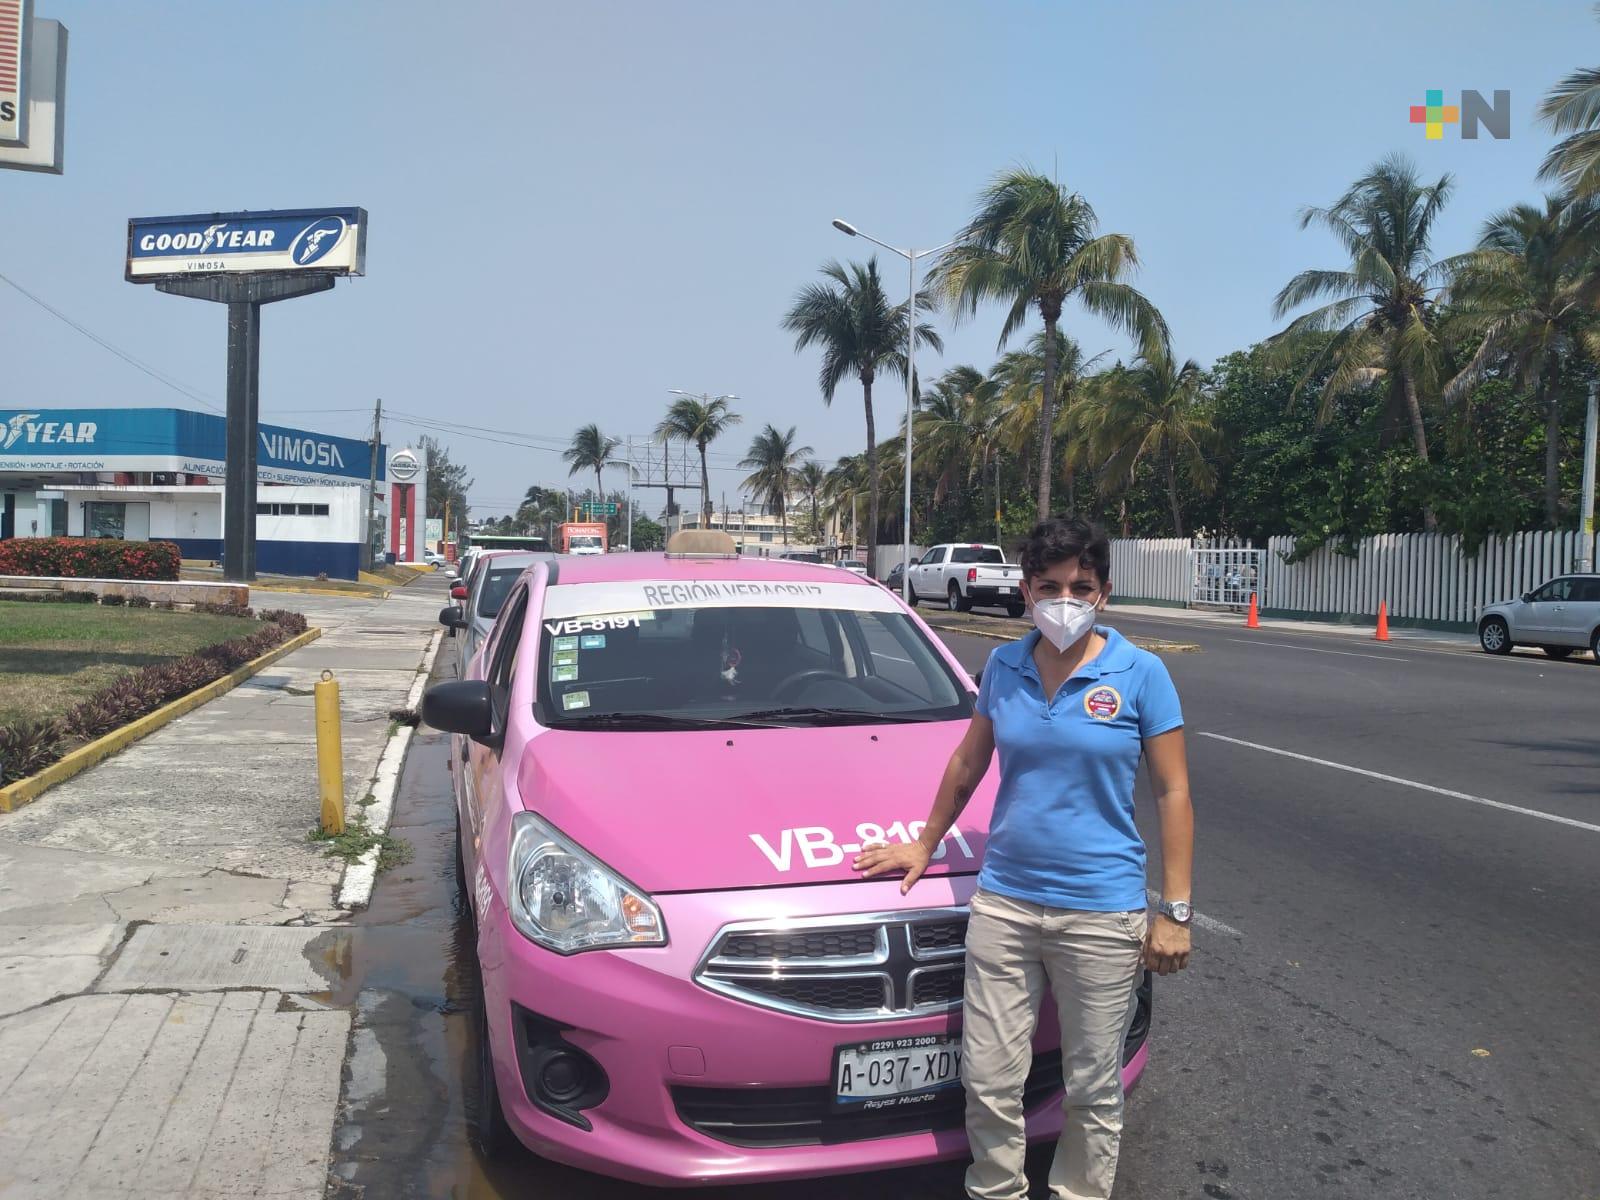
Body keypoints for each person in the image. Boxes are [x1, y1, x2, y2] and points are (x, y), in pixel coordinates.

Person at [854, 516, 1194, 1200]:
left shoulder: (1140, 673)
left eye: (1081, 585)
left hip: (1103, 914)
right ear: (1027, 588)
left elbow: (1173, 790)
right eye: (1050, 585)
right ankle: (997, 1190)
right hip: (1006, 906)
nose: (1064, 599)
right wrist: (925, 841)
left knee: (1093, 1088)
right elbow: (969, 761)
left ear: (1103, 591)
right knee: (989, 1079)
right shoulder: (1007, 665)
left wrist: (1175, 910)